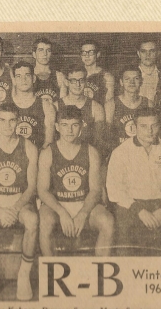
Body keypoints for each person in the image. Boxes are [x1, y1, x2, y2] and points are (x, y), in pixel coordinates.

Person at [106, 107, 161, 256]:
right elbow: (115, 189)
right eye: (144, 126)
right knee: (124, 228)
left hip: (160, 204)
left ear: (159, 126)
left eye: (154, 125)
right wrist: (139, 210)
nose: (150, 131)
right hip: (130, 206)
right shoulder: (121, 152)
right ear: (134, 128)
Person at [0, 102, 39, 301]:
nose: (7, 125)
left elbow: (31, 187)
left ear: (18, 122)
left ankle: (23, 276)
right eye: (2, 120)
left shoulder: (28, 147)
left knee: (33, 221)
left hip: (18, 201)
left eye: (12, 121)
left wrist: (14, 208)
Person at [38, 105, 113, 256]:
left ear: (81, 126)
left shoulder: (91, 152)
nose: (70, 130)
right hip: (57, 205)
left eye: (74, 125)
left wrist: (83, 213)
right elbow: (43, 191)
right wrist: (62, 212)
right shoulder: (48, 153)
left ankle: (101, 272)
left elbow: (96, 190)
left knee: (107, 221)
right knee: (45, 221)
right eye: (65, 125)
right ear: (57, 127)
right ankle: (51, 271)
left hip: (83, 204)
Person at [58, 64, 106, 151]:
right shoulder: (56, 106)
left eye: (81, 80)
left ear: (86, 82)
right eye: (73, 80)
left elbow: (98, 141)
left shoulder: (96, 108)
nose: (78, 84)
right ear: (66, 82)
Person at [10, 61, 56, 149]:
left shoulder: (46, 105)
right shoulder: (6, 104)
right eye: (19, 76)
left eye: (27, 75)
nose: (23, 80)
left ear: (34, 78)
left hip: (38, 156)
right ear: (14, 81)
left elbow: (49, 141)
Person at [105, 66, 152, 150]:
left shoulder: (148, 103)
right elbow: (107, 135)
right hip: (119, 153)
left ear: (141, 81)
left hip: (142, 152)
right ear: (121, 82)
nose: (132, 82)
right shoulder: (111, 104)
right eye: (127, 79)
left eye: (136, 78)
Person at [79, 41, 115, 105]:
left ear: (98, 54)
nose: (87, 56)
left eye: (91, 52)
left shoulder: (107, 77)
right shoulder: (75, 75)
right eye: (84, 53)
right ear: (81, 55)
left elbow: (109, 104)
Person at [32, 38, 66, 103]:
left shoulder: (59, 76)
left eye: (48, 50)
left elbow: (62, 106)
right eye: (41, 50)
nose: (45, 54)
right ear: (34, 54)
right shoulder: (29, 75)